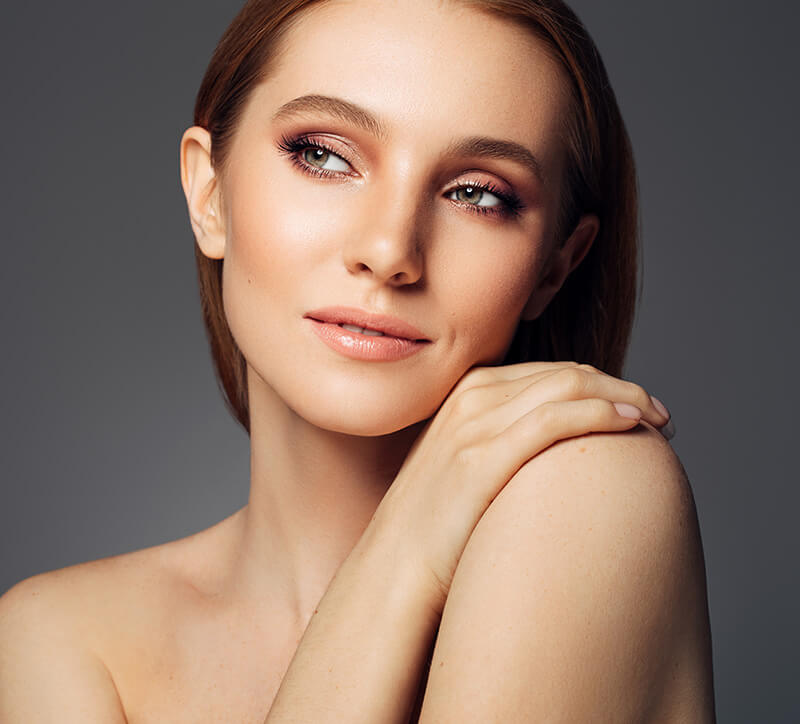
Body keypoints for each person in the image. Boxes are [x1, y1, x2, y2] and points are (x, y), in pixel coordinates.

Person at [0, 0, 715, 721]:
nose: (390, 251)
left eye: (477, 194)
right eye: (324, 155)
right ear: (209, 193)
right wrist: (409, 537)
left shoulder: (591, 494)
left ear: (556, 267)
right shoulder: (56, 641)